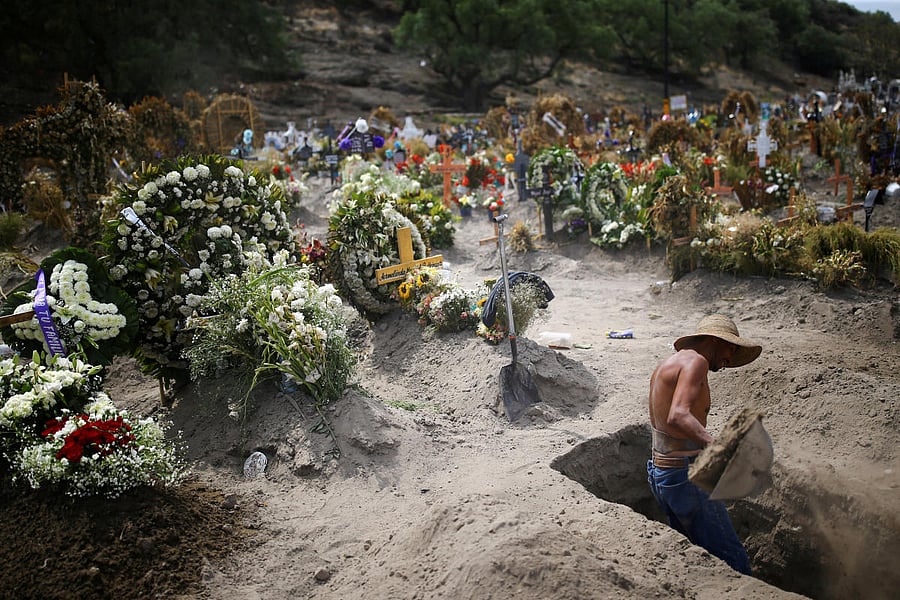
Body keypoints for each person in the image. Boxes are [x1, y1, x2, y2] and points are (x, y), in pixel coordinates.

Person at [646, 314, 762, 575]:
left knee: (695, 557)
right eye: (731, 348)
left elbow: (666, 421)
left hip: (661, 472)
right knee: (733, 560)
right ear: (714, 340)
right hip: (684, 477)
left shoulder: (668, 364)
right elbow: (678, 414)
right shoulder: (696, 362)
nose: (730, 358)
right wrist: (720, 446)